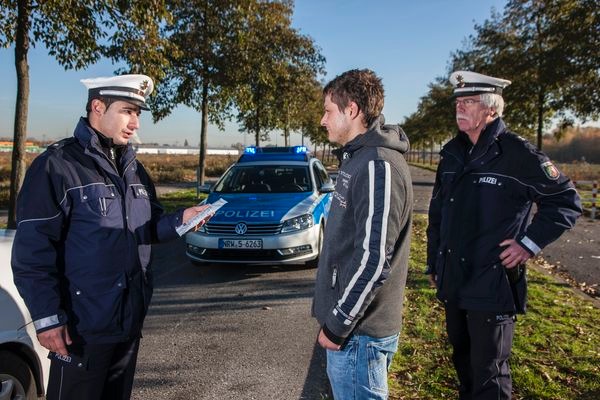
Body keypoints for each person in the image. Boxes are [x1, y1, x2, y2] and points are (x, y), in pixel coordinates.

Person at [11, 74, 210, 400]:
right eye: (128, 111)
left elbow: (146, 228)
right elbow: (32, 252)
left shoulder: (134, 168)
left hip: (128, 322)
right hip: (81, 329)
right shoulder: (57, 166)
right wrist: (47, 320)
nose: (135, 123)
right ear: (97, 106)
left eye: (138, 113)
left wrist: (180, 221)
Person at [426, 70, 582, 399]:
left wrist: (528, 244)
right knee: (463, 367)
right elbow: (438, 216)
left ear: (492, 110)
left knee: (490, 377)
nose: (460, 107)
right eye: (458, 101)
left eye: (469, 102)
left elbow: (566, 201)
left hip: (491, 283)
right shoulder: (451, 154)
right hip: (454, 280)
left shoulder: (517, 154)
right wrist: (434, 265)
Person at [312, 69, 413, 399]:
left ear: (351, 110)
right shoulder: (358, 158)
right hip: (355, 331)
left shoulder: (377, 166)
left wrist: (338, 325)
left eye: (328, 111)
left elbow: (373, 260)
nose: (323, 120)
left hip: (359, 334)